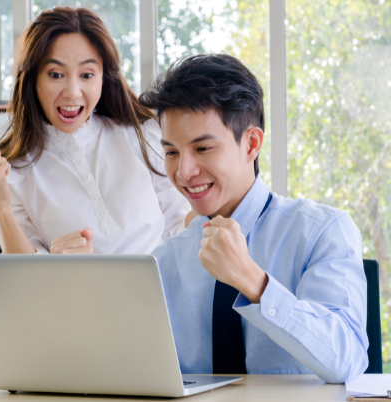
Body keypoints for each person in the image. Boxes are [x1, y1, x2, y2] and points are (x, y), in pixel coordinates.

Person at [139, 54, 368, 383]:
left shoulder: (322, 232)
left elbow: (347, 361)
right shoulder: (164, 260)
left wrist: (254, 283)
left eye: (202, 149)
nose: (184, 172)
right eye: (172, 152)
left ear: (251, 144)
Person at [0, 7, 193, 255]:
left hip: (158, 289)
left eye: (87, 74)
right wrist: (0, 208)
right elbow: (27, 278)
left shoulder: (143, 133)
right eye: (56, 74)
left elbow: (179, 226)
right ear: (33, 79)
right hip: (75, 294)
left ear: (103, 77)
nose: (72, 91)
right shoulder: (13, 171)